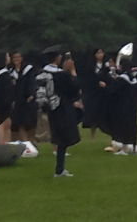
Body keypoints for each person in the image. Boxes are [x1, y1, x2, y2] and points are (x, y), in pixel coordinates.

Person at [38, 52, 79, 180]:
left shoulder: (42, 73)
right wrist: (73, 72)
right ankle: (59, 170)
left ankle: (60, 168)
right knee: (64, 138)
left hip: (51, 108)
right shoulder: (61, 75)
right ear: (58, 58)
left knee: (60, 138)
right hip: (63, 108)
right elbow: (74, 89)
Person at [0, 52, 20, 142]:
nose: (9, 58)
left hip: (3, 103)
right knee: (3, 124)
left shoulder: (0, 75)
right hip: (5, 104)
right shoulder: (4, 76)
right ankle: (2, 144)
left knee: (7, 125)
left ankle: (7, 144)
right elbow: (6, 91)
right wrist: (9, 101)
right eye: (7, 56)